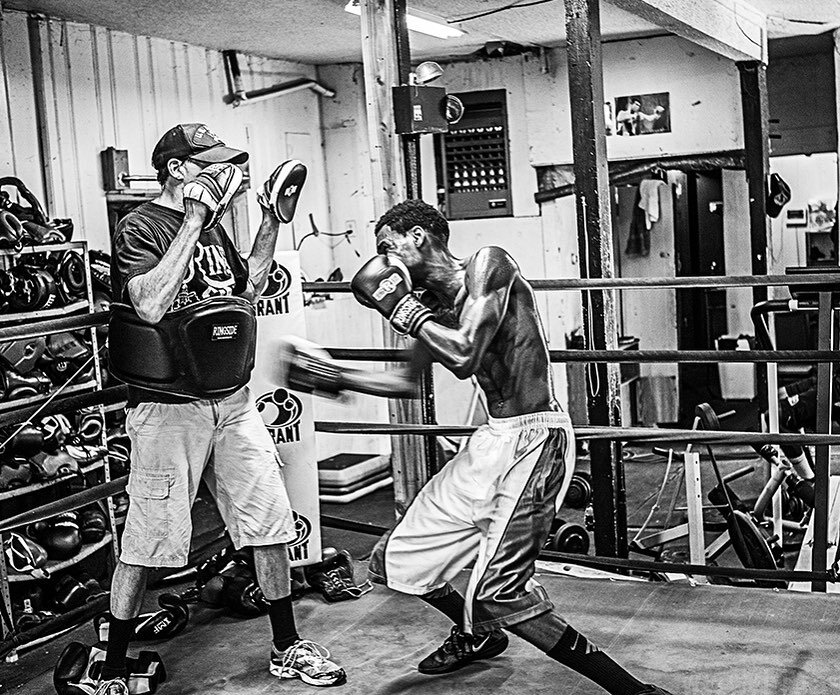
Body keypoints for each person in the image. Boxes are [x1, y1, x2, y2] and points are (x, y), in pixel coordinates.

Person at [282, 199, 676, 695]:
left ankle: (635, 691)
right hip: (491, 441)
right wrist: (334, 377)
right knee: (400, 559)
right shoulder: (432, 309)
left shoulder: (489, 264)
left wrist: (398, 305)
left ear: (418, 237)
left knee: (500, 591)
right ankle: (479, 632)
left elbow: (466, 353)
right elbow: (406, 382)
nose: (383, 260)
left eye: (388, 246)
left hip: (535, 441)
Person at [96, 123, 345, 694]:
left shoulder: (216, 231)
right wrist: (193, 220)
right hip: (168, 410)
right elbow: (152, 304)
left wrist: (268, 221)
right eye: (211, 165)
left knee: (270, 520)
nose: (224, 174)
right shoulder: (141, 226)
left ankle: (287, 646)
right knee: (148, 539)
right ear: (180, 170)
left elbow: (248, 289)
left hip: (231, 403)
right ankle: (113, 664)